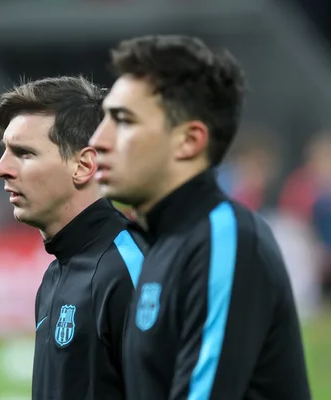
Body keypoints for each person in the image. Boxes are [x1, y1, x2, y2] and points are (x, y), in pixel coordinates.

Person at [90, 35, 311, 400]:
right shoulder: (163, 243)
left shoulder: (224, 240)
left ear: (189, 141)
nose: (98, 139)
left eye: (123, 121)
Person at [0, 76, 148, 400]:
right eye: (4, 151)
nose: (1, 168)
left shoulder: (133, 269)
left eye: (24, 153)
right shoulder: (56, 276)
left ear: (83, 165)